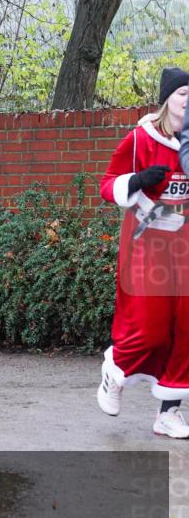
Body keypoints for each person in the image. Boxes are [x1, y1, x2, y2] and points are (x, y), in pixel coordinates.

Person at [97, 67, 189, 439]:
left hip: (185, 241)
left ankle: (170, 411)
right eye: (183, 93)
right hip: (147, 239)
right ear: (167, 98)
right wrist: (135, 181)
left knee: (186, 328)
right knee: (148, 329)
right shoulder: (140, 138)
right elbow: (107, 185)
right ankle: (115, 370)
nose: (188, 100)